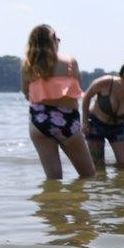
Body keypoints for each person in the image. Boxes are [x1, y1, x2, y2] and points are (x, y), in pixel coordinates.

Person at [20, 25, 96, 180]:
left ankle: (53, 197)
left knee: (53, 180)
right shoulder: (70, 62)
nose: (59, 41)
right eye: (57, 39)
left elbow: (26, 93)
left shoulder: (28, 66)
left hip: (39, 122)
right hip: (67, 121)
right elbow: (76, 89)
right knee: (88, 176)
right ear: (52, 41)